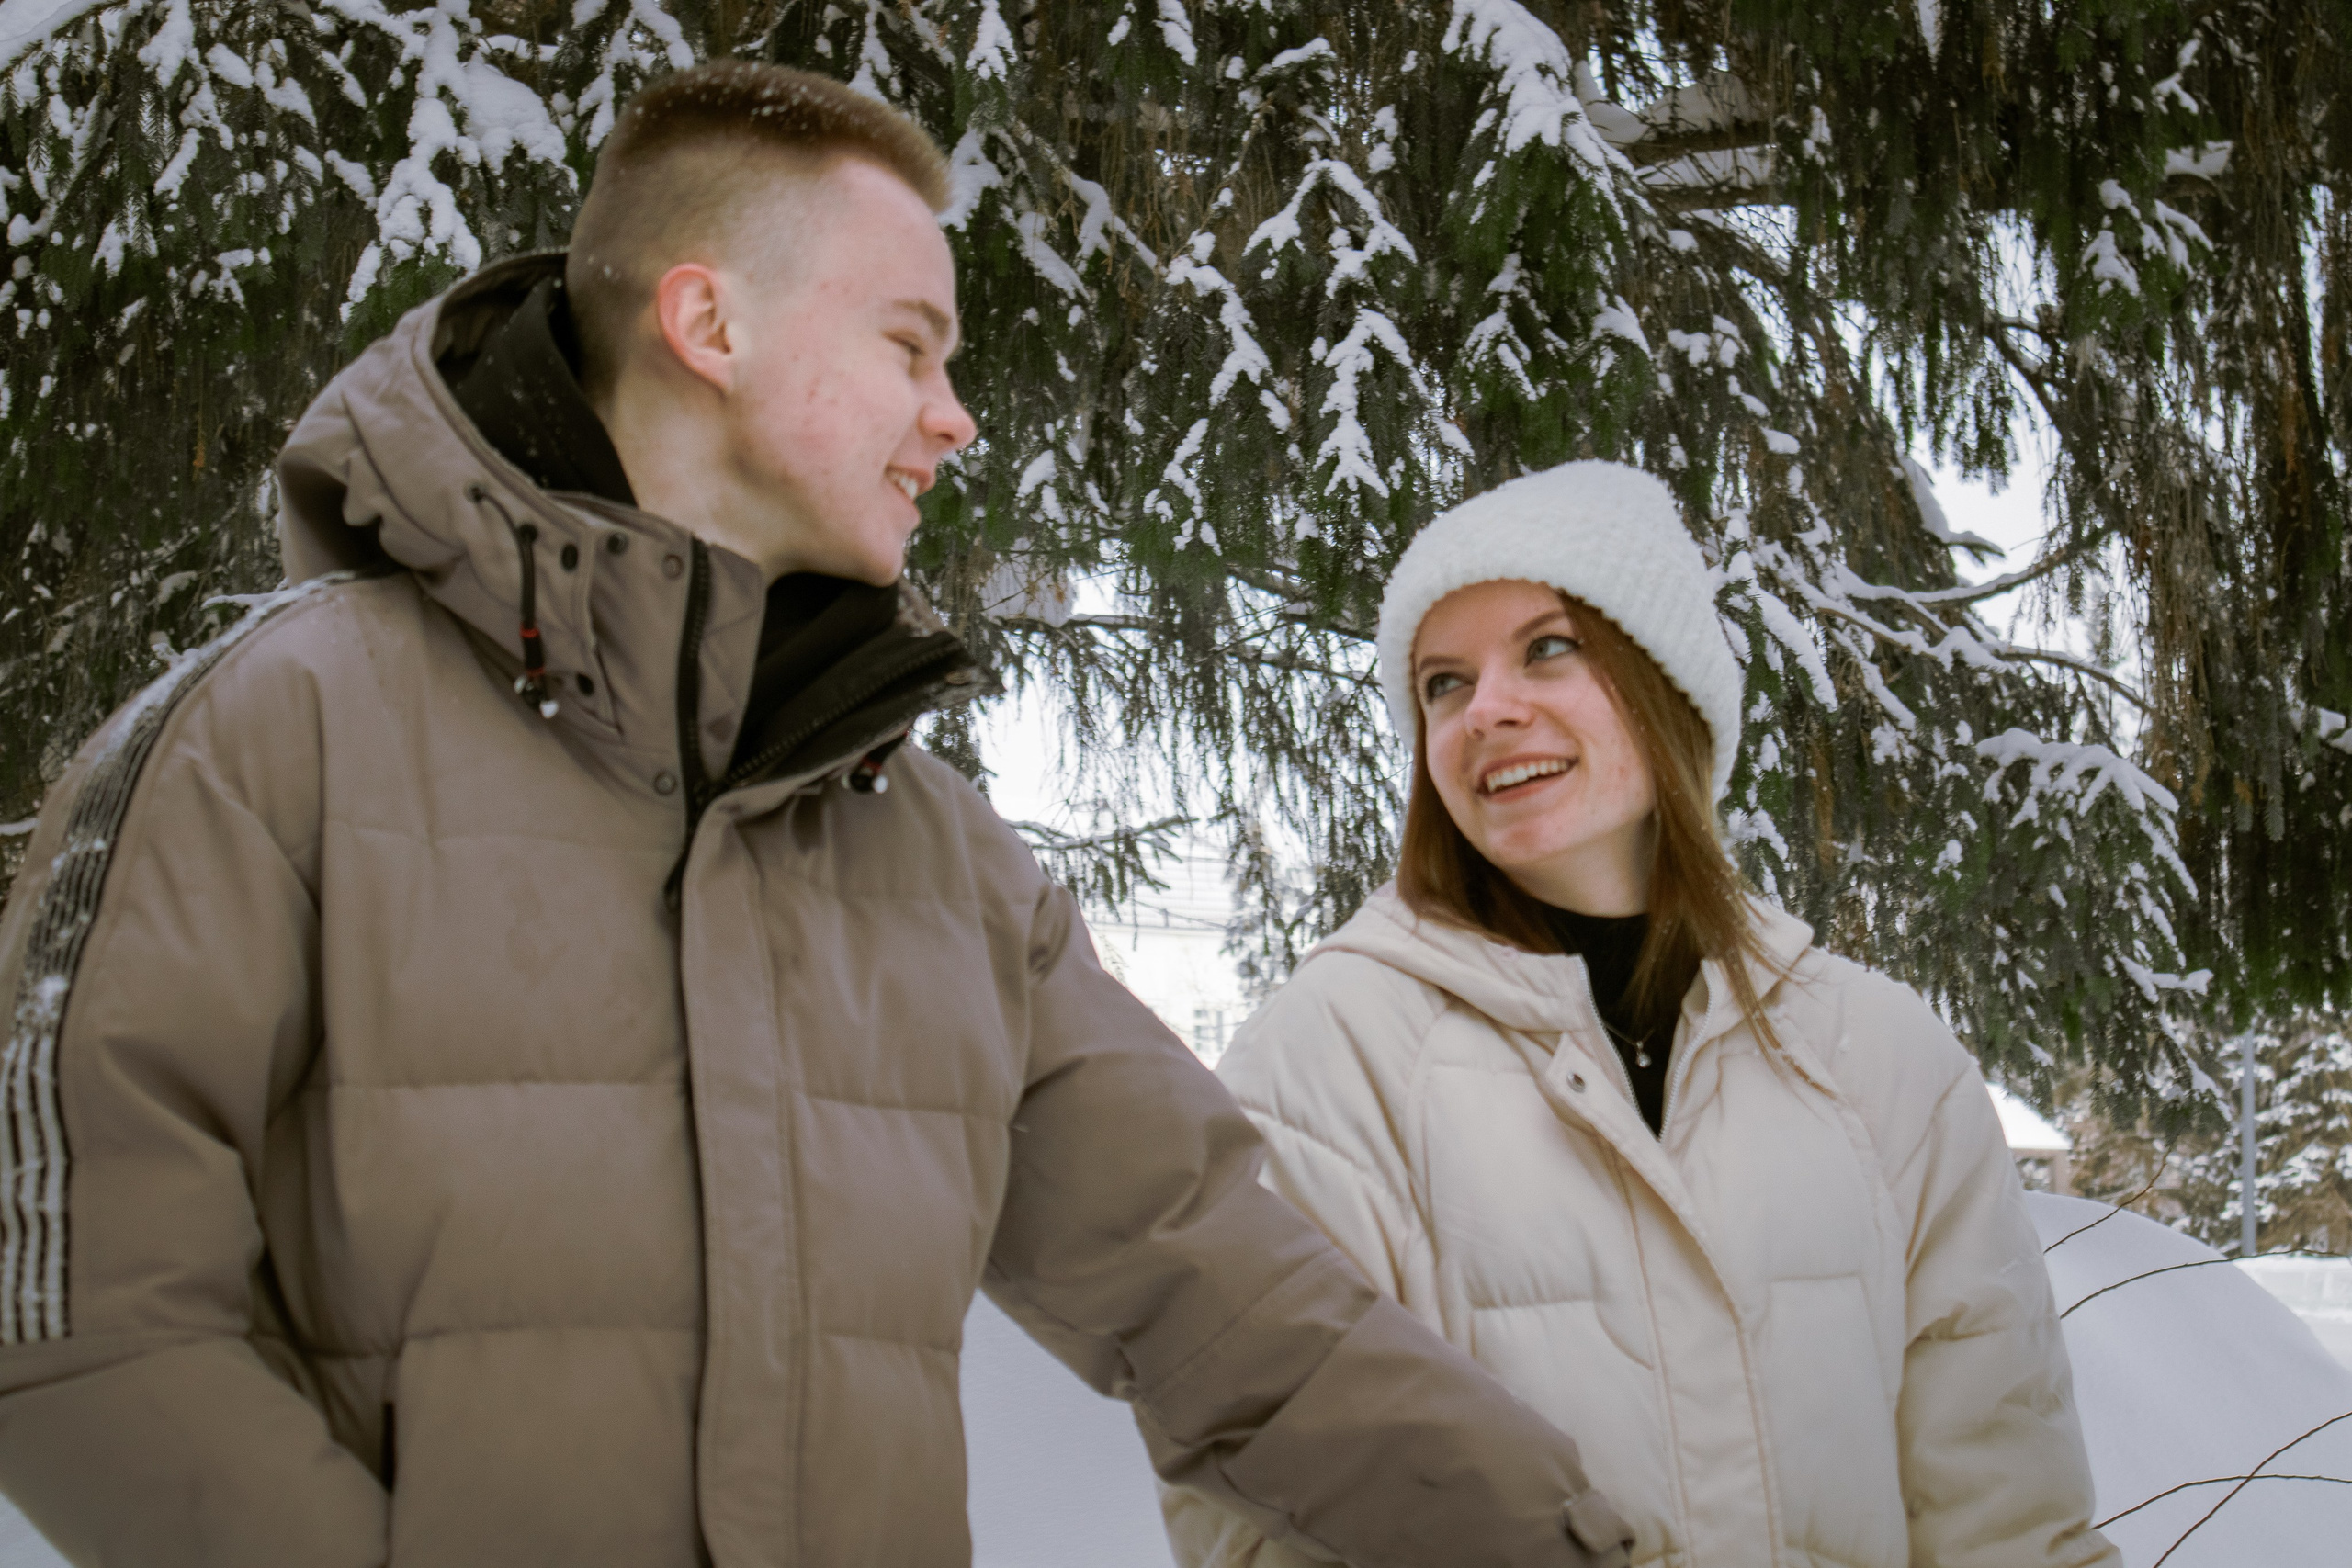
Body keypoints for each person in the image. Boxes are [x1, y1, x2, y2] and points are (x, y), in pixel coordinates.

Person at [0, 63, 1637, 1568]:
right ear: (708, 323)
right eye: (909, 347)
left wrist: (1578, 1550)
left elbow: (1215, 1287)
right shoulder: (272, 736)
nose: (956, 416)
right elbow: (74, 1316)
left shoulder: (936, 861)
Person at [1163, 461, 2121, 1568]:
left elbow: (2007, 1520)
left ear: (1664, 681)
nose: (1489, 709)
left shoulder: (1881, 1059)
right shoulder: (1324, 1062)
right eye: (1441, 683)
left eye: (1548, 647)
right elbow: (1262, 1514)